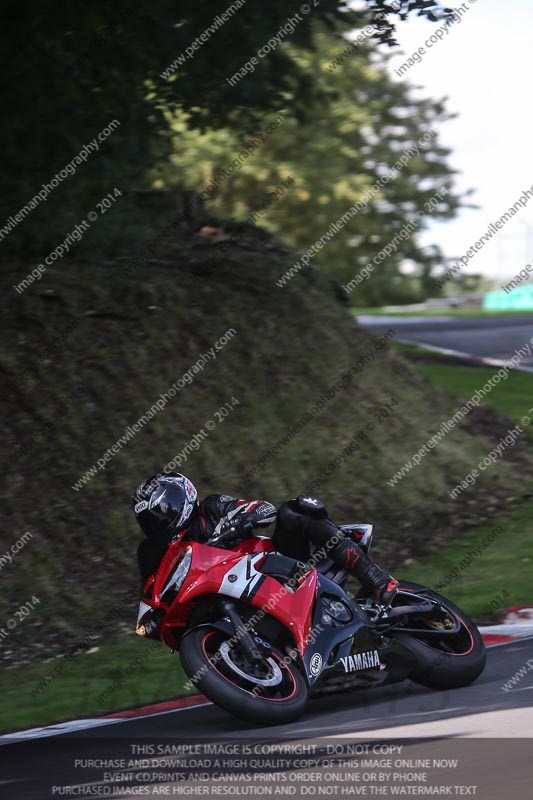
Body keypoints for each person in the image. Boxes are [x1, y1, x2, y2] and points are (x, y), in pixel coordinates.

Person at [133, 473, 398, 605]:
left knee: (294, 510)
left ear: (182, 496)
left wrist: (241, 521)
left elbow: (263, 508)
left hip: (277, 565)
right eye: (152, 518)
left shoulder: (210, 508)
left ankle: (376, 579)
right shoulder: (166, 551)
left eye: (163, 510)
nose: (161, 520)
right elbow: (152, 591)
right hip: (234, 598)